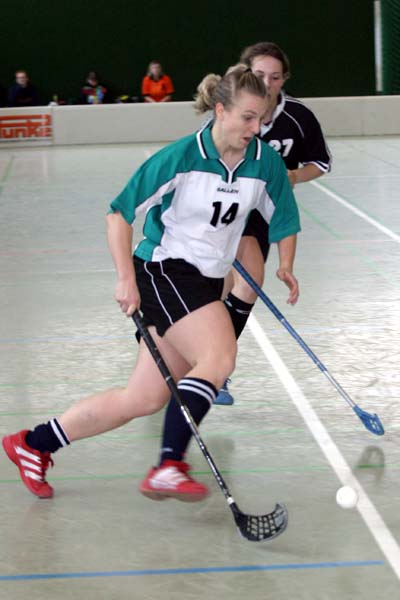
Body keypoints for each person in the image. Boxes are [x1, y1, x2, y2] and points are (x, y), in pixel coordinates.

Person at [2, 65, 300, 503]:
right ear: (220, 110)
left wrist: (286, 264)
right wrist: (126, 278)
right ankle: (168, 466)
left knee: (142, 398)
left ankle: (34, 443)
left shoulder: (264, 163)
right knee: (218, 357)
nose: (256, 128)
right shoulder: (180, 157)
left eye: (262, 118)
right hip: (165, 271)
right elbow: (118, 214)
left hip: (206, 280)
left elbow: (285, 218)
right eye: (248, 117)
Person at [215, 41, 332, 404]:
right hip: (225, 208)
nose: (267, 83)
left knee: (246, 286)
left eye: (275, 77)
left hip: (263, 213)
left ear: (285, 79)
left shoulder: (298, 116)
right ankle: (203, 362)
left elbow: (320, 163)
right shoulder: (230, 112)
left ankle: (214, 369)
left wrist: (291, 176)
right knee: (220, 285)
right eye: (259, 74)